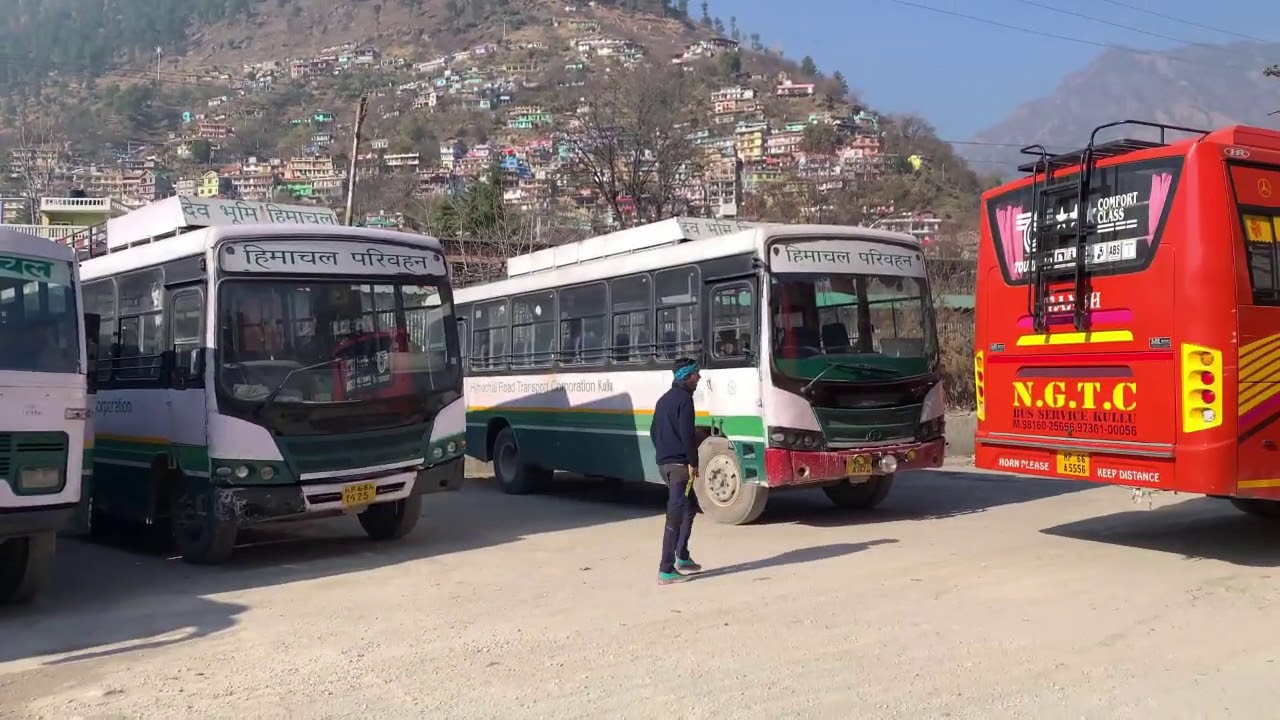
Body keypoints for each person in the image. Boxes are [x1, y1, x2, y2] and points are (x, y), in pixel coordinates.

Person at [650, 357, 704, 585]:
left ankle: (682, 556)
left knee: (689, 507)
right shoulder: (684, 400)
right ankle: (666, 569)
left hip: (665, 464)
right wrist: (693, 462)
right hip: (679, 467)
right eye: (695, 374)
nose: (699, 378)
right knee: (675, 515)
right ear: (686, 376)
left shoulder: (663, 400)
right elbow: (687, 434)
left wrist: (664, 453)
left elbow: (653, 431)